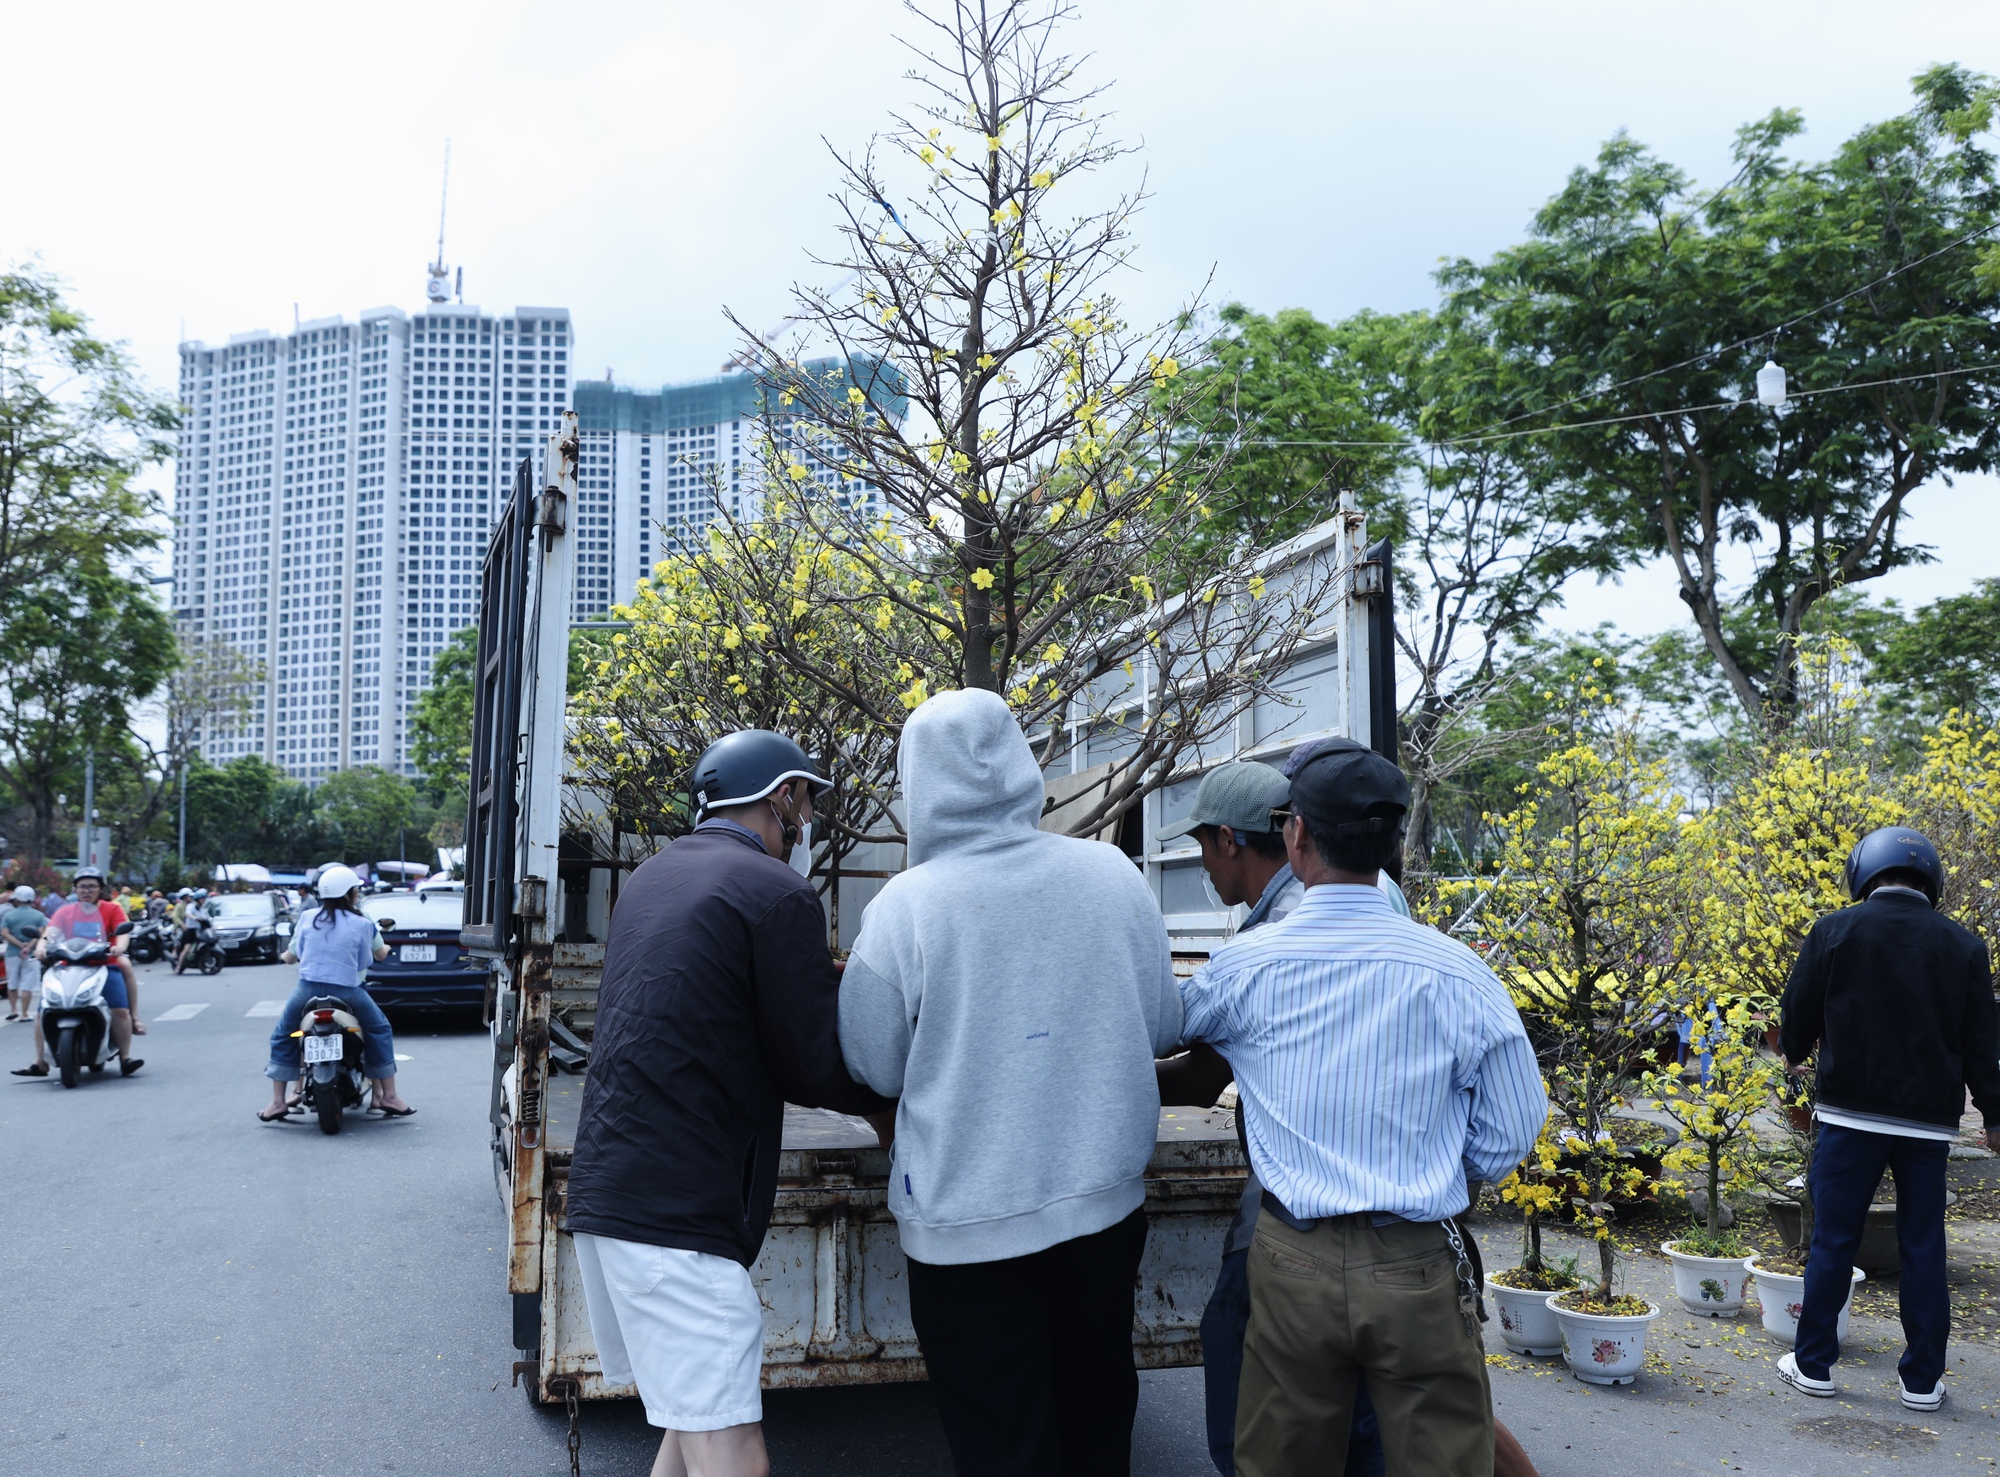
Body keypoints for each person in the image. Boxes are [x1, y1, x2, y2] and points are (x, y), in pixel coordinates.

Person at [839, 689, 1184, 1477]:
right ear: (1024, 763)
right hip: (1102, 1205)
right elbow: (1162, 1025)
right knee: (1097, 1417)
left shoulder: (906, 908)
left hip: (967, 1226)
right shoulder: (1111, 874)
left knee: (1002, 1441)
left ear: (917, 782)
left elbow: (871, 1062)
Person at [1178, 742, 1546, 1477]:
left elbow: (1161, 1027)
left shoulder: (1246, 967)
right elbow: (1510, 1130)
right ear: (1393, 844)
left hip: (1289, 1257)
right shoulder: (1457, 970)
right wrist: (1435, 1164)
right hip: (1413, 1258)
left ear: (1297, 835)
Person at [566, 729, 890, 1477]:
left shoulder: (653, 876)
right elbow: (813, 1062)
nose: (806, 821)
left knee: (690, 1423)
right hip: (680, 1214)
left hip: (618, 1191)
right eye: (806, 802)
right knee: (734, 1448)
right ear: (781, 797)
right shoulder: (775, 891)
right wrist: (890, 1100)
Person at [1154, 760, 1389, 1477]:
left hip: (1291, 1220)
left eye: (1200, 845)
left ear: (1231, 839)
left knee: (1248, 1416)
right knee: (1375, 1425)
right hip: (1400, 1228)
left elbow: (1175, 1043)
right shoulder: (1380, 905)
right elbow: (1208, 1076)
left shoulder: (1268, 945)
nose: (1200, 864)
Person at [1775, 826, 2000, 1411]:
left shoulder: (1834, 929)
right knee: (1924, 1246)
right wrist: (1995, 1117)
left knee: (1834, 1240)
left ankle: (1814, 1364)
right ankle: (1922, 1381)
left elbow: (1797, 1010)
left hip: (1850, 1114)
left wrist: (1795, 1050)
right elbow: (1983, 1042)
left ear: (1865, 873)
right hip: (1927, 1124)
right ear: (1931, 880)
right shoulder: (1964, 945)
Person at [261, 865, 410, 1121]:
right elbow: (365, 963)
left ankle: (277, 1102)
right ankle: (388, 1096)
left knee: (283, 1034)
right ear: (351, 893)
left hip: (306, 990)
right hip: (348, 991)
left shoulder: (307, 918)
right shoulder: (362, 923)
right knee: (379, 1030)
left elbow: (296, 955)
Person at [38, 867, 143, 1076]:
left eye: (92, 886)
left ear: (101, 889)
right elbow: (50, 933)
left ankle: (125, 1057)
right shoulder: (66, 911)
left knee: (119, 1010)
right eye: (82, 886)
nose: (87, 890)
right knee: (43, 1010)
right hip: (69, 965)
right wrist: (41, 946)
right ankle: (39, 1062)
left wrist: (119, 947)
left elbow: (123, 932)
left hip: (104, 963)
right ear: (75, 889)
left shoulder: (112, 909)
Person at [4, 884, 45, 1024]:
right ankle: (24, 1013)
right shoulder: (39, 915)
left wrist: (19, 944)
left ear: (17, 899)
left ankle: (13, 1010)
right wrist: (28, 946)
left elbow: (4, 933)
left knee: (12, 982)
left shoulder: (9, 916)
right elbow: (40, 933)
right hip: (32, 954)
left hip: (12, 953)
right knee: (27, 984)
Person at [175, 888, 212, 974]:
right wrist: (194, 918)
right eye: (202, 898)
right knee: (187, 948)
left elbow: (206, 915)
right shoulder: (190, 906)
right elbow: (187, 914)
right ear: (198, 899)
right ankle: (179, 966)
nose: (204, 900)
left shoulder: (203, 907)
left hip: (200, 930)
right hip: (190, 930)